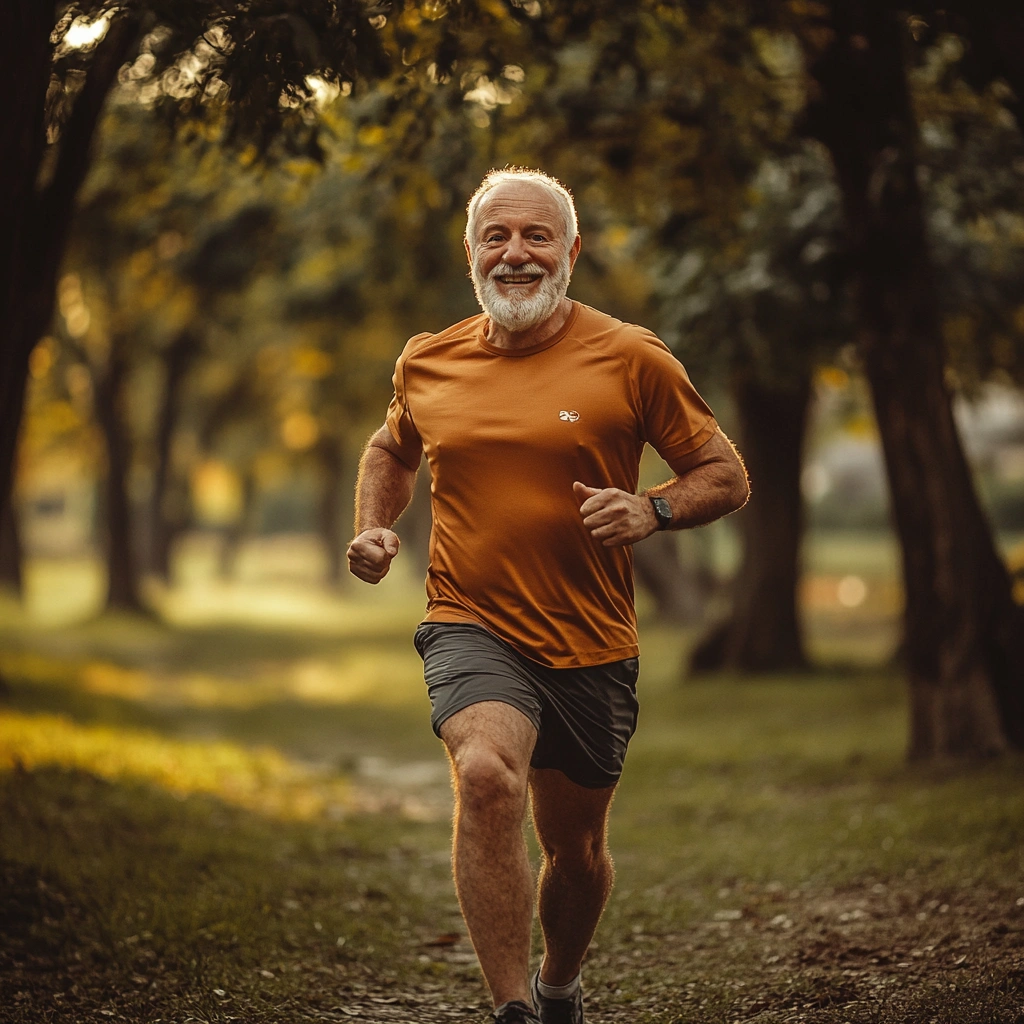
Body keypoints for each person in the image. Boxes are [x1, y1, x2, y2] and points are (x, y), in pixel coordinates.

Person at [347, 167, 749, 1024]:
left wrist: (654, 508)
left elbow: (727, 474)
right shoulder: (429, 358)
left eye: (536, 237)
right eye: (496, 236)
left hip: (592, 641)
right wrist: (377, 526)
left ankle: (559, 985)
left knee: (578, 851)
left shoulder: (631, 356)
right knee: (486, 776)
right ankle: (510, 1011)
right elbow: (391, 451)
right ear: (470, 254)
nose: (515, 253)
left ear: (570, 251)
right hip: (470, 621)